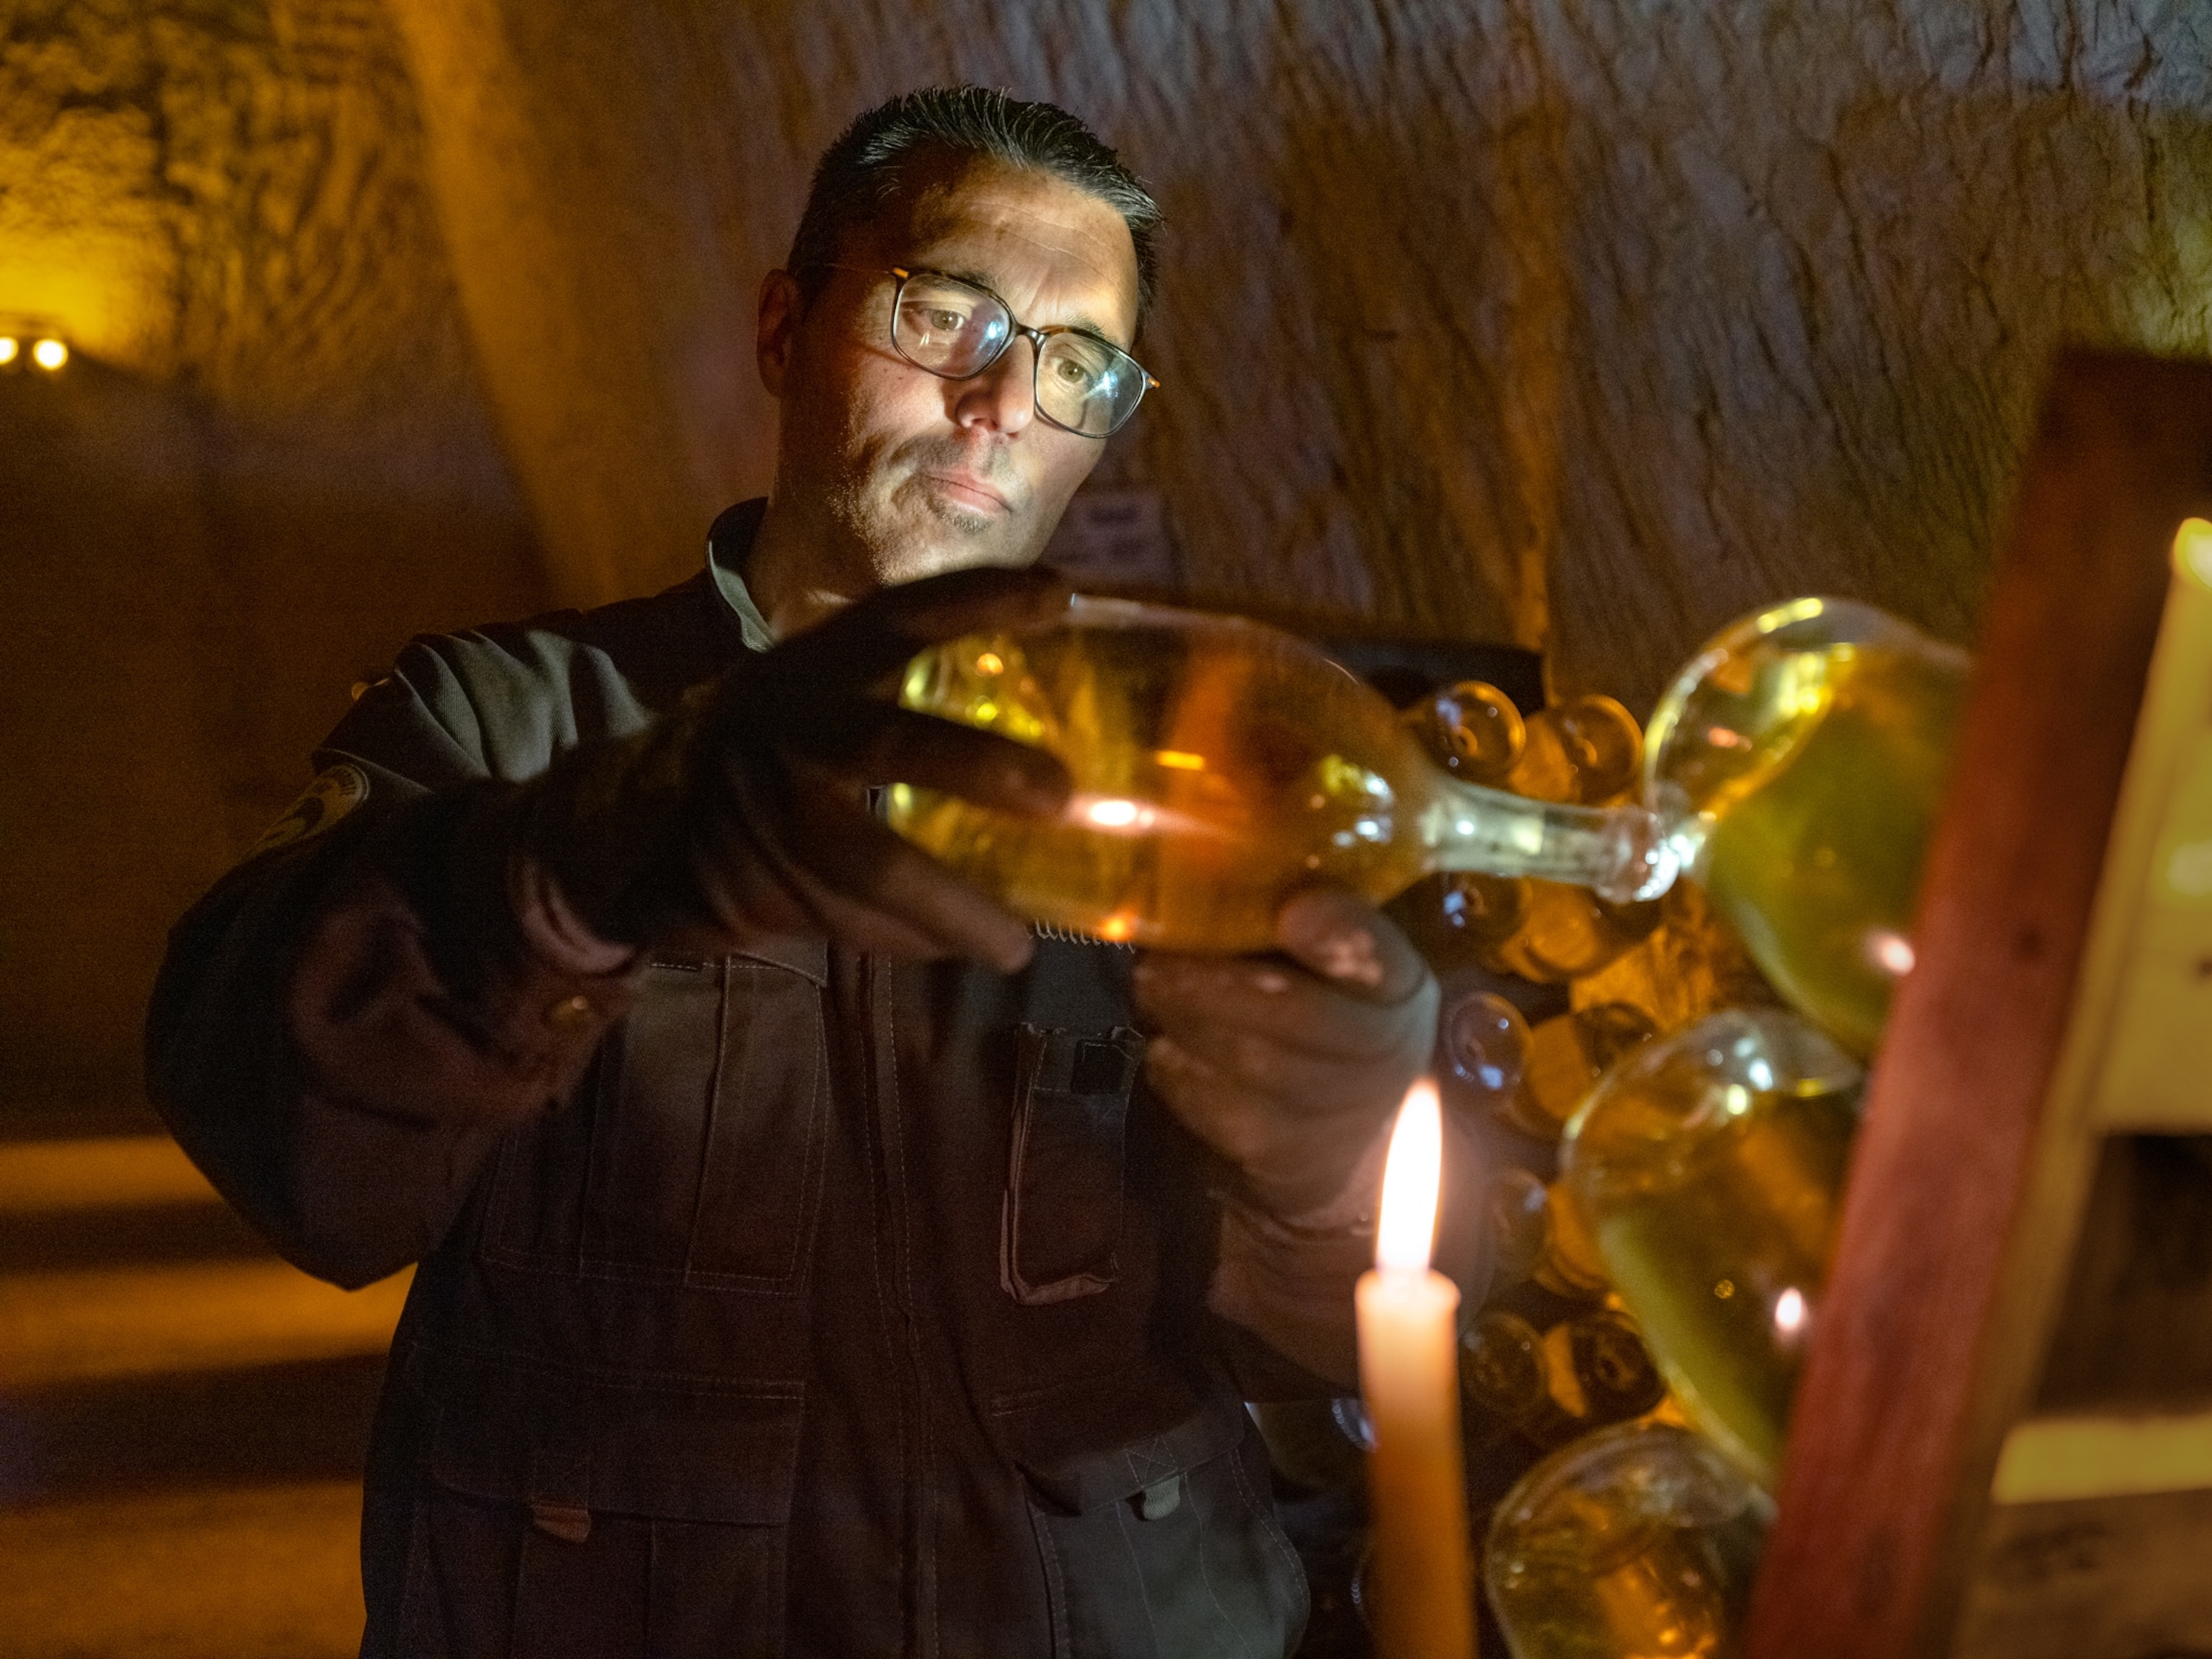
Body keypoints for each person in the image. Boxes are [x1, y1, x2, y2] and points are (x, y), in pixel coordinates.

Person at [148, 86, 1483, 1658]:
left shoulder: (1192, 776)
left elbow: (1358, 1335)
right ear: (787, 327)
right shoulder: (509, 720)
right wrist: (585, 865)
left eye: (1076, 366)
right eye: (945, 315)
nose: (1000, 401)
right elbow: (280, 1132)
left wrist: (1330, 1177)